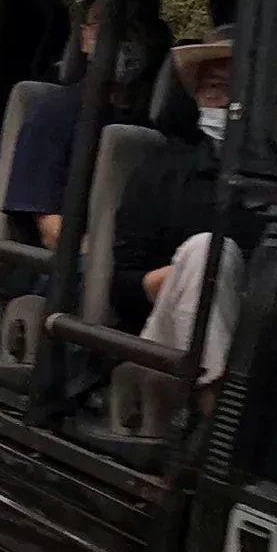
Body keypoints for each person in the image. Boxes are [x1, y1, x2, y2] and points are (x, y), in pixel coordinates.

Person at [1, 0, 165, 241]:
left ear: (154, 39)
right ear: (84, 36)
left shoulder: (157, 129)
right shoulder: (54, 113)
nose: (117, 37)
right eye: (105, 23)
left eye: (133, 27)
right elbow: (50, 230)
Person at [114, 29, 237, 371]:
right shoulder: (160, 173)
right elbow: (122, 289)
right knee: (207, 253)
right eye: (215, 87)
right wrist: (187, 277)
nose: (228, 102)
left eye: (243, 91)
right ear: (195, 95)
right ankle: (219, 418)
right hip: (171, 341)